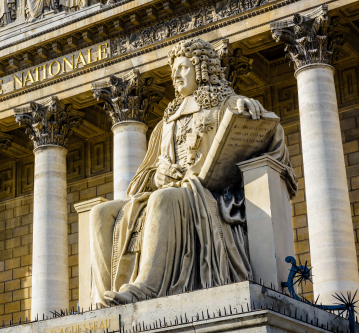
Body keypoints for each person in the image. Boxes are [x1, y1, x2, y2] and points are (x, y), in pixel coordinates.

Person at [89, 38, 298, 306]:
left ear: (201, 70)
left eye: (183, 68)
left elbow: (272, 139)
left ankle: (146, 288)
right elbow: (145, 174)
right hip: (170, 193)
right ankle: (103, 299)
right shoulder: (168, 120)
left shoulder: (228, 106)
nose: (176, 76)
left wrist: (253, 113)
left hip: (209, 196)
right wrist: (157, 176)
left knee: (163, 199)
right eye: (173, 71)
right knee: (102, 213)